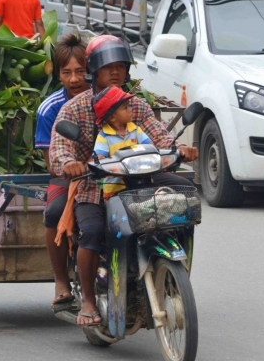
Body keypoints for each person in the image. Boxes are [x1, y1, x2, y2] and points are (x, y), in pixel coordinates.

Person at [49, 35, 199, 326]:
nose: (115, 72)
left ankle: (173, 275)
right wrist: (69, 163)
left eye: (121, 66)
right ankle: (89, 303)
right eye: (108, 67)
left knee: (185, 195)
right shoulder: (75, 109)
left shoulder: (135, 106)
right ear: (93, 69)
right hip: (95, 186)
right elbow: (59, 148)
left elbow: (159, 136)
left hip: (141, 180)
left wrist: (179, 150)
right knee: (91, 232)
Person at [35, 34, 90, 306]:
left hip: (110, 171)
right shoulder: (49, 109)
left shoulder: (108, 99)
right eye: (67, 73)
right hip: (67, 175)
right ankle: (60, 278)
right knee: (54, 212)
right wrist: (70, 166)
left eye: (81, 71)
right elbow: (51, 163)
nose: (74, 79)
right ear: (58, 75)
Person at [92, 86, 153, 198]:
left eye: (129, 105)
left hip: (139, 182)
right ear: (112, 118)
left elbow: (149, 146)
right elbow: (99, 157)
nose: (130, 109)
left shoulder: (135, 129)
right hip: (115, 189)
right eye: (125, 108)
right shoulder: (104, 136)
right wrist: (103, 161)